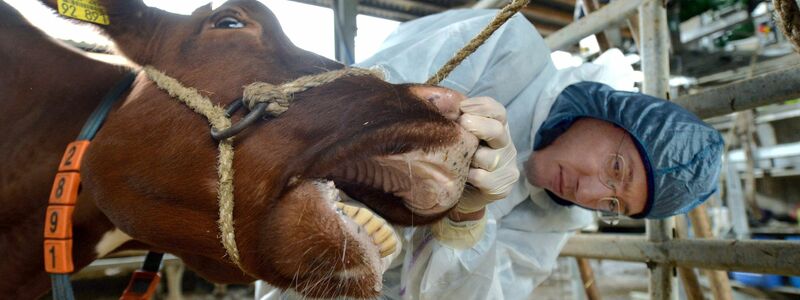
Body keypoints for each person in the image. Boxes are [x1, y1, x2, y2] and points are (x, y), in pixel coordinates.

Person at [256, 8, 723, 300]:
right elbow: (354, 99)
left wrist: (467, 223)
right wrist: (437, 126)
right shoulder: (508, 51)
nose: (588, 191)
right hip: (282, 198)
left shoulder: (547, 229)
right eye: (614, 168)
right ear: (608, 114)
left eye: (613, 204)